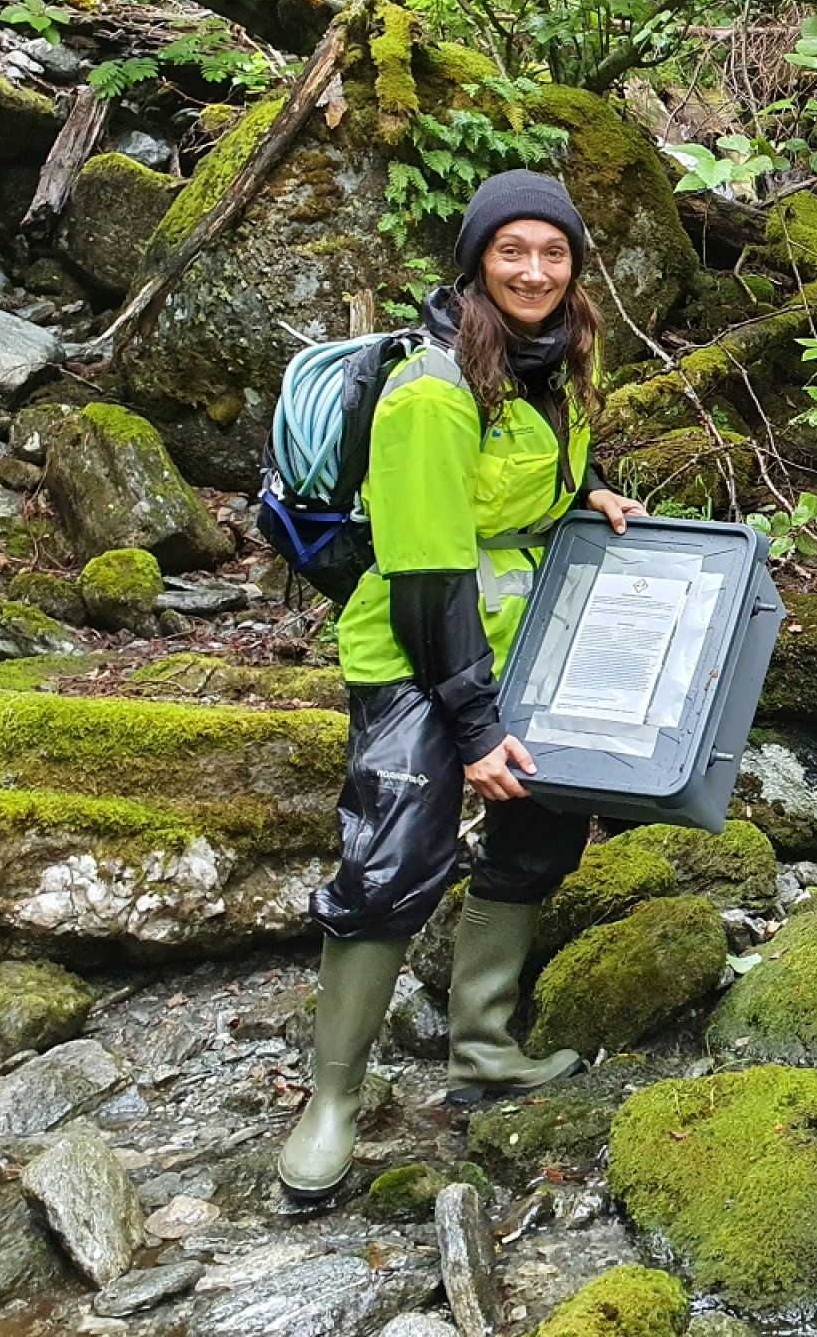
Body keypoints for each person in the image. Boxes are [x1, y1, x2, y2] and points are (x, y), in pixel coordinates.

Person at [278, 168, 646, 1201]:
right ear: (478, 261)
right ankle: (332, 1103)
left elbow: (536, 470)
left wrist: (589, 491)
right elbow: (428, 576)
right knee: (391, 860)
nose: (534, 271)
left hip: (533, 634)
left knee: (538, 833)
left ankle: (484, 1048)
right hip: (418, 651)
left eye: (554, 252)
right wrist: (476, 729)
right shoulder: (432, 393)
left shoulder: (562, 353)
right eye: (511, 251)